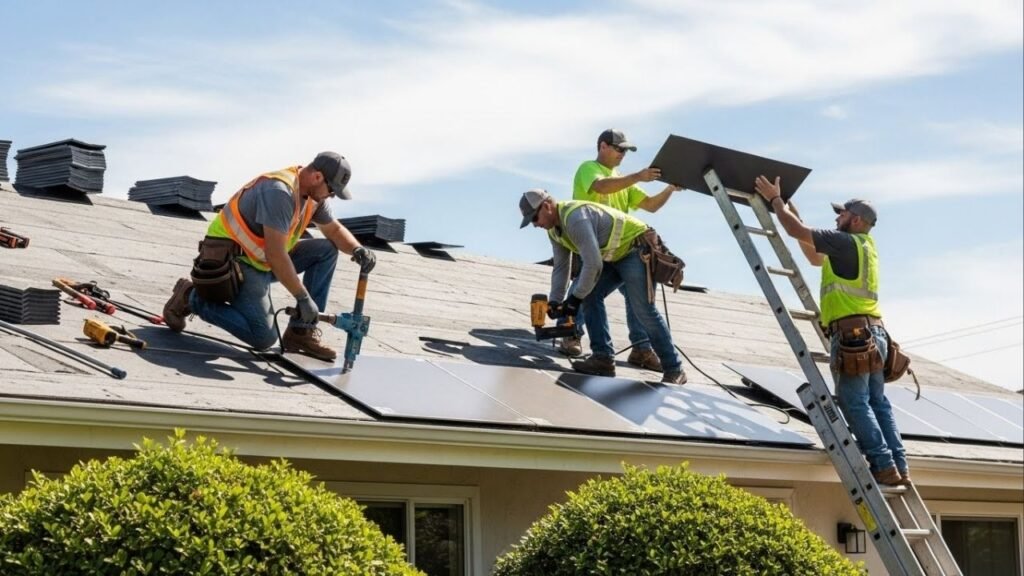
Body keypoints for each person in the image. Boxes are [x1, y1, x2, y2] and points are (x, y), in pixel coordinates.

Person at [754, 176, 908, 486]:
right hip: (875, 335)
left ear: (856, 219)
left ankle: (882, 464)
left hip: (853, 336)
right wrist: (790, 208)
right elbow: (812, 255)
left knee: (854, 402)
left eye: (841, 214)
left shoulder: (845, 241)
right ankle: (897, 465)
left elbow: (795, 231)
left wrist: (775, 201)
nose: (837, 218)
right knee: (877, 403)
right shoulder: (863, 246)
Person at [162, 151, 376, 362]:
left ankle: (301, 334)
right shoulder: (279, 192)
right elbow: (276, 255)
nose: (330, 195)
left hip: (261, 260)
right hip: (234, 262)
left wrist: (357, 249)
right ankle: (191, 297)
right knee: (263, 337)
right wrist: (303, 298)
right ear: (317, 177)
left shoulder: (313, 196)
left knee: (326, 250)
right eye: (331, 190)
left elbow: (334, 231)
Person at [519, 188, 685, 384]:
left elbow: (593, 264)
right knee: (589, 295)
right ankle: (603, 358)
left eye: (535, 219)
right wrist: (556, 302)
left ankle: (675, 369)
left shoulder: (575, 219)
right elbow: (562, 267)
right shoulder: (555, 231)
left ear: (546, 206)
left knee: (643, 309)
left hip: (636, 248)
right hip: (612, 255)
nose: (535, 225)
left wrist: (574, 298)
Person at [560, 128, 681, 373]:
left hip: (622, 250)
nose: (622, 154)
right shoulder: (589, 169)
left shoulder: (624, 180)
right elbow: (602, 187)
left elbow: (650, 205)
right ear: (602, 146)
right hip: (593, 245)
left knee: (639, 301)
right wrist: (638, 176)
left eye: (626, 150)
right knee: (584, 289)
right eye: (619, 149)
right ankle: (571, 334)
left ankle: (641, 349)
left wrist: (669, 189)